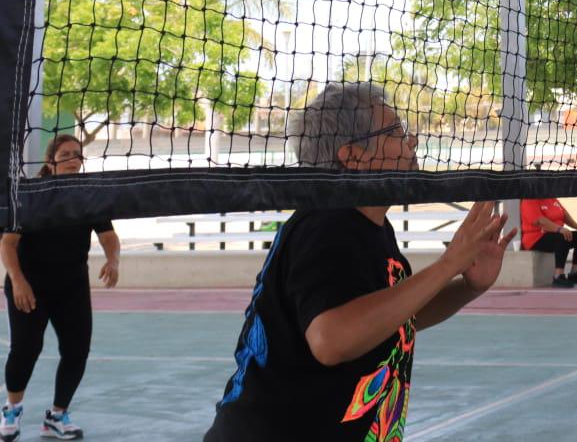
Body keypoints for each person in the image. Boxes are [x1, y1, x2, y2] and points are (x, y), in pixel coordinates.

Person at [205, 82, 515, 441]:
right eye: (396, 131)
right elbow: (331, 339)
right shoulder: (325, 225)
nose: (411, 141)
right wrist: (447, 264)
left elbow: (393, 320)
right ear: (352, 156)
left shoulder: (369, 228)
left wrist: (468, 287)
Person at [0, 135, 120, 442]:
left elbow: (108, 236)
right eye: (65, 154)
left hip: (72, 286)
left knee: (77, 351)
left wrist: (113, 260)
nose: (72, 159)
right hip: (29, 285)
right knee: (26, 349)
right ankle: (12, 410)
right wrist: (18, 280)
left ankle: (56, 416)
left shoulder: (88, 196)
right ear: (50, 161)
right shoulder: (30, 195)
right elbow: (8, 244)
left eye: (77, 155)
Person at [521, 197, 577, 288]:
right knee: (562, 237)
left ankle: (574, 273)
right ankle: (558, 276)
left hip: (555, 233)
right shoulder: (529, 200)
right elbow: (539, 221)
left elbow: (564, 215)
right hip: (536, 238)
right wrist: (559, 229)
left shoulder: (552, 198)